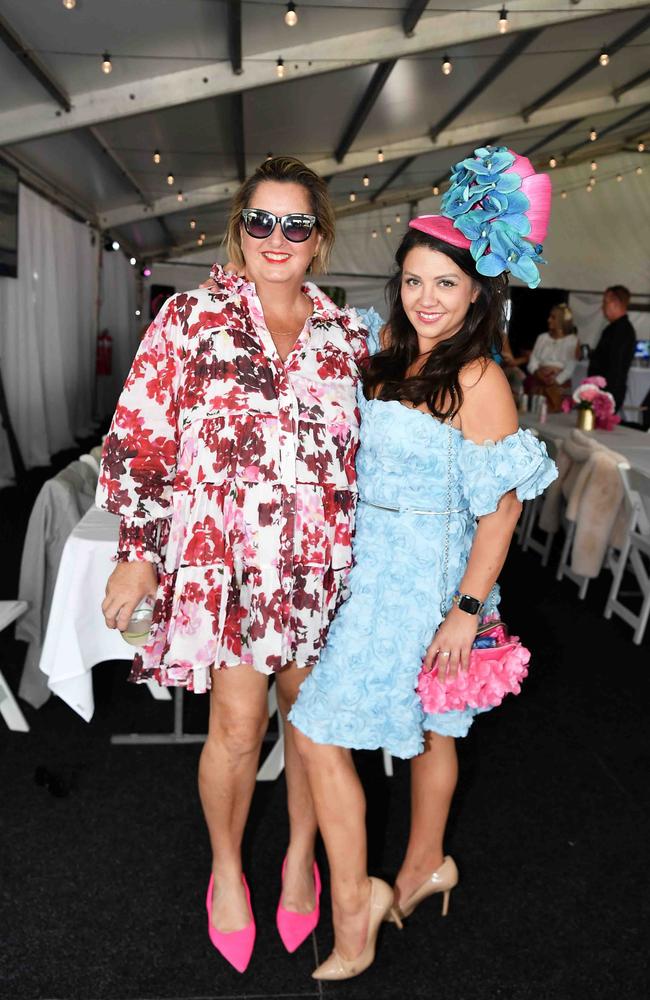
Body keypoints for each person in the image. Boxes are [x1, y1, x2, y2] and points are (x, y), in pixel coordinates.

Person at [289, 146, 557, 981]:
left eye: (445, 282)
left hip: (426, 582)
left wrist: (465, 611)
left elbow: (502, 507)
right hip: (369, 568)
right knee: (431, 729)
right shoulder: (387, 358)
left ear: (477, 290)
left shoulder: (478, 376)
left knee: (318, 726)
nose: (426, 297)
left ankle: (358, 908)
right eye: (412, 280)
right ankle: (423, 865)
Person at [96, 156, 370, 974]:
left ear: (318, 239)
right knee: (238, 730)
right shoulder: (189, 319)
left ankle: (296, 862)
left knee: (316, 733)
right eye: (260, 221)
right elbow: (140, 438)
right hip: (228, 570)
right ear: (238, 228)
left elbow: (379, 460)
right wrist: (139, 554)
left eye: (295, 225)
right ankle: (225, 868)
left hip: (323, 574)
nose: (275, 239)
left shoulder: (346, 336)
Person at [588, 285, 637, 411]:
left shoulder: (622, 331)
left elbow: (616, 367)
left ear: (615, 303)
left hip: (607, 392)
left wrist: (605, 395)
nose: (603, 307)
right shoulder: (615, 328)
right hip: (603, 390)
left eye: (605, 302)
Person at [526, 302, 578, 412]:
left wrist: (554, 381)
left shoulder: (572, 341)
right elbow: (533, 360)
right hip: (539, 382)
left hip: (559, 386)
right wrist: (538, 374)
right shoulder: (542, 338)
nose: (549, 320)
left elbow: (570, 368)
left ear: (561, 321)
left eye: (553, 317)